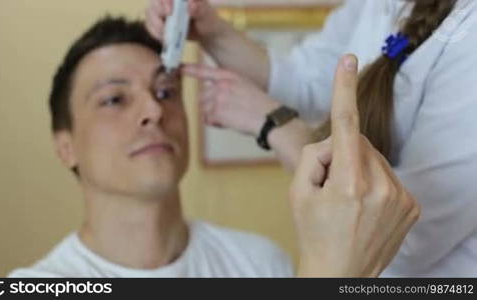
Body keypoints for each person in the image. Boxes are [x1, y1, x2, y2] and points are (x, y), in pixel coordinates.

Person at [6, 15, 419, 278]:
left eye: (166, 92)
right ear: (65, 147)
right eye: (115, 99)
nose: (153, 109)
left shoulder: (259, 264)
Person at [147, 0, 477, 276]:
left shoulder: (261, 264)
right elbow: (310, 79)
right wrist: (215, 34)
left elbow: (393, 232)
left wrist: (276, 125)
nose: (150, 114)